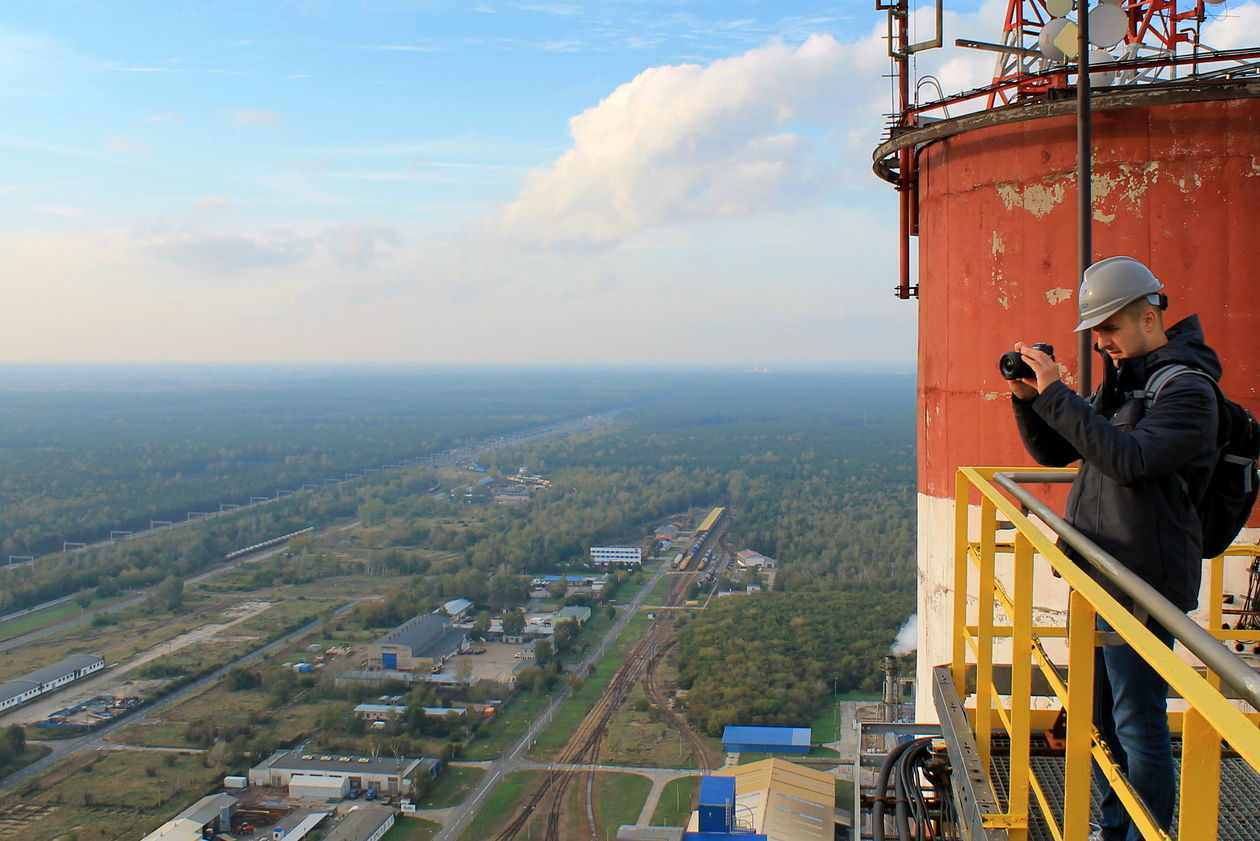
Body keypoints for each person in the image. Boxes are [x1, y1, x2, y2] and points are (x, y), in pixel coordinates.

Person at [1006, 256, 1220, 841]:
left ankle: (1142, 833)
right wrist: (1032, 399)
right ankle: (1112, 825)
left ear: (1149, 317)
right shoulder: (1126, 383)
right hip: (1101, 574)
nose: (1102, 343)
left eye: (1110, 330)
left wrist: (1059, 395)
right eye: (1095, 333)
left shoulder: (1187, 390)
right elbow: (1058, 455)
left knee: (1137, 721)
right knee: (1102, 718)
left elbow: (1131, 461)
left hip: (1143, 582)